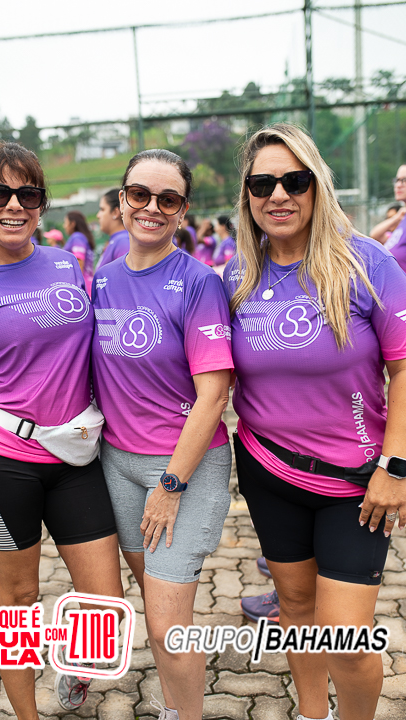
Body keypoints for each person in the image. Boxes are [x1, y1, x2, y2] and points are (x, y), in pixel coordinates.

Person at [0, 142, 123, 720]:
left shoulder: (65, 263)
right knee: (16, 603)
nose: (14, 205)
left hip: (73, 456)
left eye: (28, 194)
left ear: (41, 204)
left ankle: (77, 668)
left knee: (105, 599)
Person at [224, 123, 406, 720]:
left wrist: (396, 467)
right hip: (268, 472)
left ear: (317, 186)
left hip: (356, 483)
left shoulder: (367, 263)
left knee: (346, 638)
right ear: (248, 196)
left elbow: (404, 368)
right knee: (297, 612)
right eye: (262, 184)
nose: (278, 195)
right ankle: (311, 712)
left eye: (294, 181)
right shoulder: (237, 276)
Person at [91, 149, 233, 720]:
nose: (151, 207)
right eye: (139, 194)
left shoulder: (198, 283)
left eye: (167, 199)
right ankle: (174, 706)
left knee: (168, 625)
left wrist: (171, 485)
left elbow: (214, 395)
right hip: (117, 464)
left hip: (182, 470)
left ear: (182, 210)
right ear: (123, 199)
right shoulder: (104, 277)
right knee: (156, 608)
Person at [370, 167, 406, 251]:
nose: (398, 185)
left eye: (404, 180)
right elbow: (374, 235)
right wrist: (397, 217)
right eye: (397, 180)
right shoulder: (402, 218)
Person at [95, 188, 129, 269]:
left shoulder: (123, 242)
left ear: (115, 212)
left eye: (102, 209)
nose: (98, 215)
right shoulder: (116, 240)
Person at [63, 210, 95, 294]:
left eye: (65, 223)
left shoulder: (77, 237)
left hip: (81, 287)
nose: (64, 226)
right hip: (87, 284)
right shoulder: (82, 237)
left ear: (72, 224)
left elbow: (79, 262)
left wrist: (76, 288)